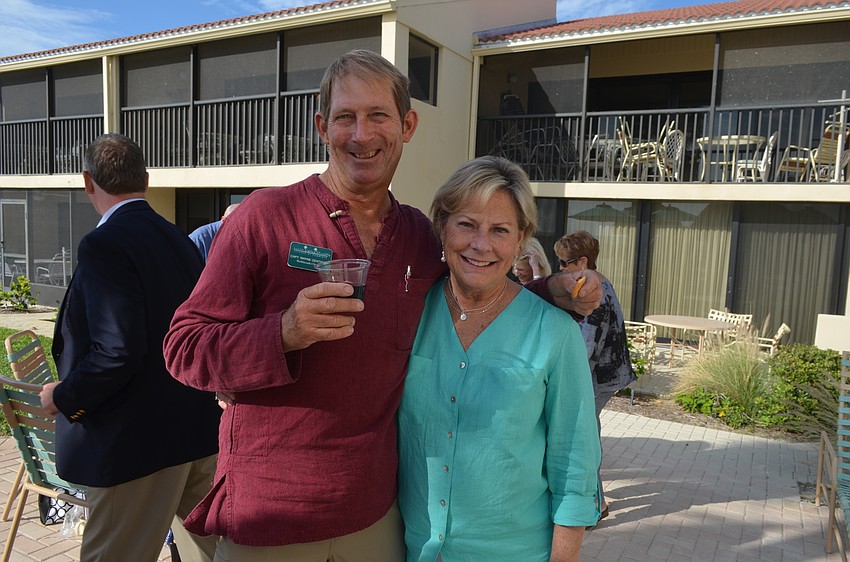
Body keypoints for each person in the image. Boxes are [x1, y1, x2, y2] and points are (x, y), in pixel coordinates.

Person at [163, 49, 601, 560]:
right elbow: (184, 347)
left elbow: (478, 291)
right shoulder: (263, 218)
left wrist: (547, 292)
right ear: (322, 126)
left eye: (378, 116)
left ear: (407, 125)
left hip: (375, 516)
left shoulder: (416, 235)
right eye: (345, 116)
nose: (361, 134)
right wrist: (282, 332)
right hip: (272, 510)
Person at [397, 156, 600, 562]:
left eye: (500, 230)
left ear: (521, 238)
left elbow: (573, 467)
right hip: (415, 549)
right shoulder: (408, 315)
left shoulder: (555, 333)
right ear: (442, 226)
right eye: (467, 224)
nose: (481, 244)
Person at [38, 133, 221, 562]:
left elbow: (116, 350)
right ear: (147, 179)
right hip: (194, 430)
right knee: (213, 554)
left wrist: (64, 396)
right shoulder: (179, 239)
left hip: (135, 445)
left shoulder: (104, 244)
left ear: (88, 183)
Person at [554, 229, 636, 524]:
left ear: (583, 260)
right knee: (588, 436)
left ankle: (594, 504)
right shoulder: (601, 282)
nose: (560, 268)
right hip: (607, 375)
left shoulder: (590, 290)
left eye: (566, 262)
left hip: (597, 378)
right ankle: (597, 502)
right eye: (559, 261)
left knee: (584, 439)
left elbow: (585, 346)